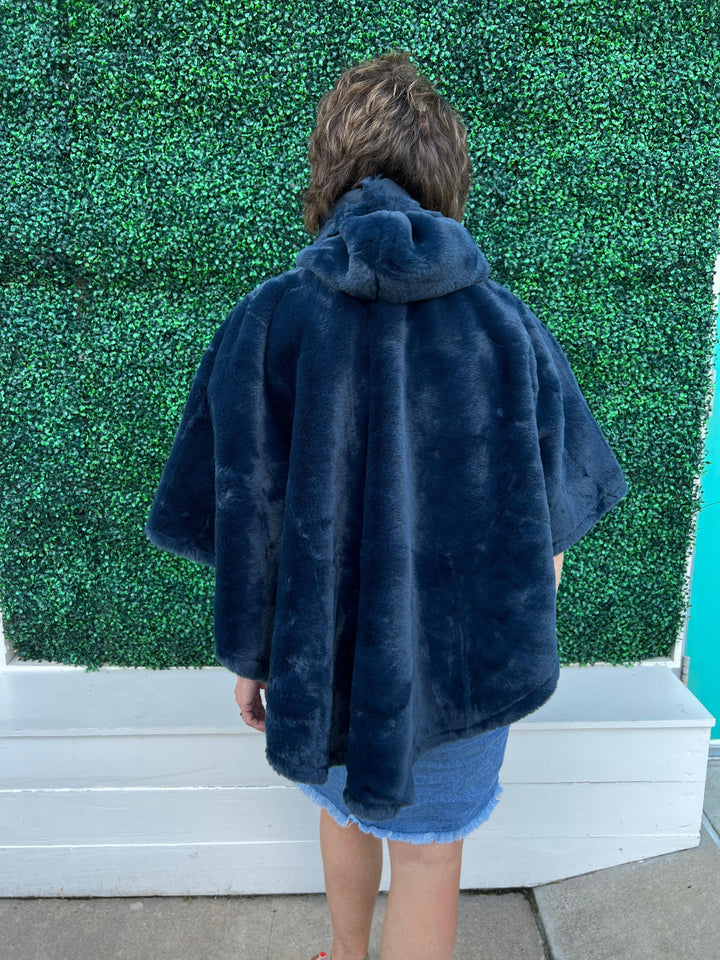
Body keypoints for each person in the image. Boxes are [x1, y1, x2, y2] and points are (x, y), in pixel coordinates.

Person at [145, 50, 628, 960]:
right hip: (461, 676)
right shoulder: (507, 326)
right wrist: (499, 641)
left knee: (341, 813)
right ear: (447, 180)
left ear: (328, 173)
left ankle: (345, 955)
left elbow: (245, 519)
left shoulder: (267, 321)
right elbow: (554, 536)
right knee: (431, 855)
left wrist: (252, 660)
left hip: (316, 666)